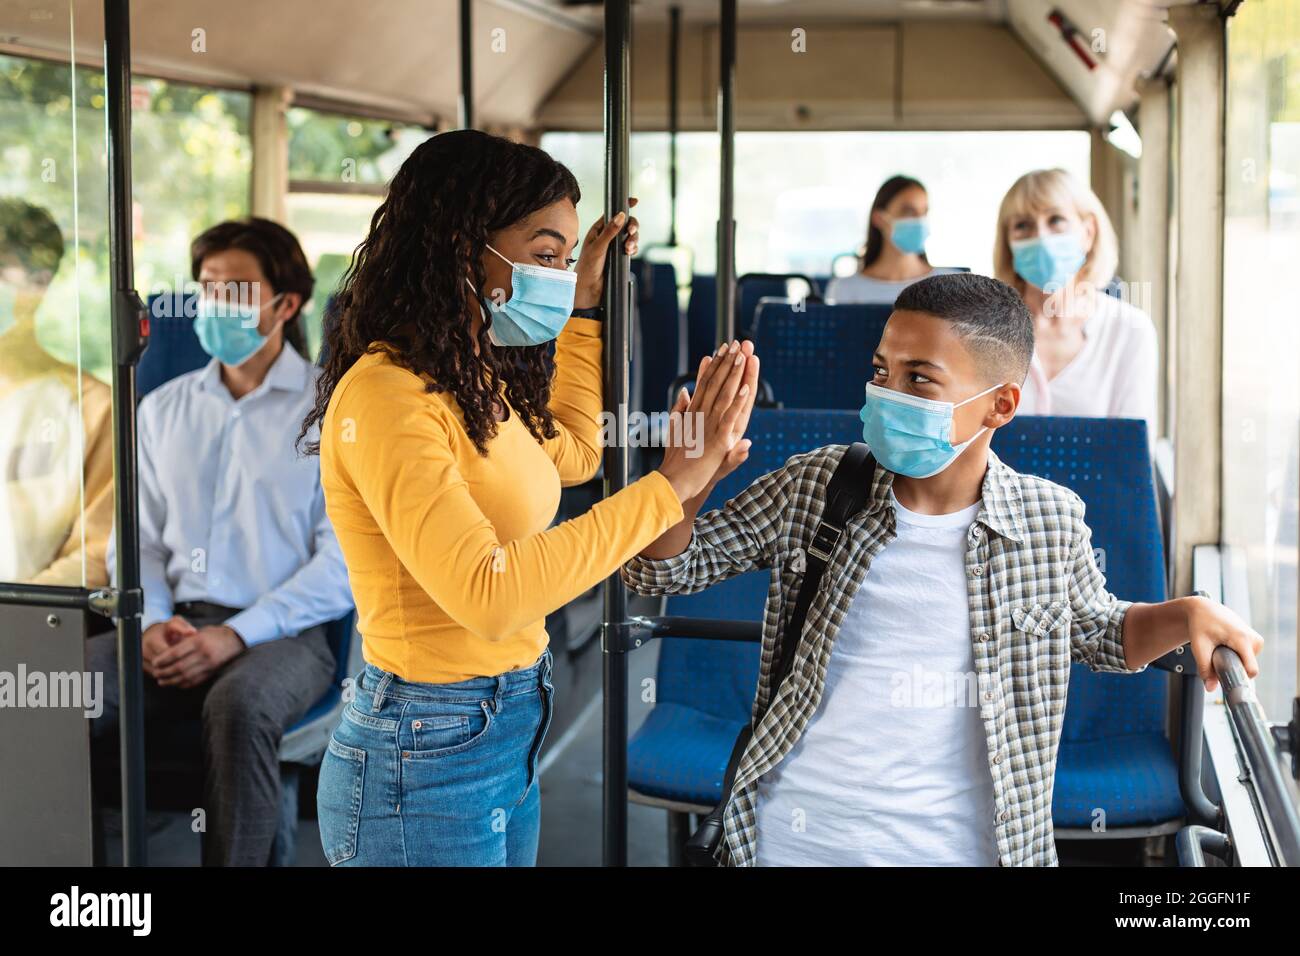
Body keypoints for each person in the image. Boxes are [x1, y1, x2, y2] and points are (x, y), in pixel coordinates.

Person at [622, 272, 1263, 867]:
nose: (885, 394)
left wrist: (1187, 612)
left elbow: (1096, 633)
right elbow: (661, 574)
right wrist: (686, 480)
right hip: (797, 835)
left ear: (1000, 405)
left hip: (966, 845)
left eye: (919, 379)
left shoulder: (1049, 521)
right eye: (881, 371)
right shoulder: (817, 486)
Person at [302, 129, 756, 867]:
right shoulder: (390, 395)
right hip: (426, 744)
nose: (556, 273)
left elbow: (573, 454)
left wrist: (583, 309)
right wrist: (670, 486)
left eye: (567, 259)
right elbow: (490, 593)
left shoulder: (468, 377)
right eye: (545, 255)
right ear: (459, 244)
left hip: (507, 716)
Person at [91, 217, 354, 866]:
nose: (214, 306)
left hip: (286, 633)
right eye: (207, 289)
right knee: (52, 687)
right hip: (174, 621)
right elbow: (139, 540)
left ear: (286, 304)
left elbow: (342, 564)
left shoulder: (332, 414)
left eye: (236, 291)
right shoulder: (164, 408)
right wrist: (151, 623)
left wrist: (236, 636)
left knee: (239, 704)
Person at [993, 168, 1158, 439]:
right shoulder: (982, 330)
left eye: (1056, 220)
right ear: (1008, 243)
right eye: (1023, 226)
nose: (1041, 238)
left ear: (1088, 233)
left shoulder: (1129, 330)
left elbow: (1132, 455)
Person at [0, 198, 113, 586]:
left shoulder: (93, 408)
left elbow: (98, 551)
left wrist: (14, 620)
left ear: (40, 283)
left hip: (26, 634)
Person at [825, 175, 961, 305]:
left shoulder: (952, 284)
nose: (919, 221)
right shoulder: (844, 289)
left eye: (924, 212)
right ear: (879, 218)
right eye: (908, 212)